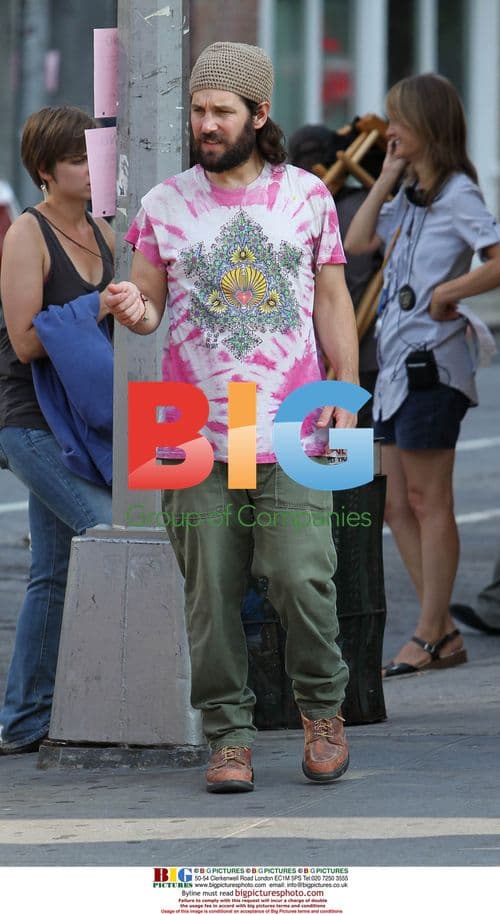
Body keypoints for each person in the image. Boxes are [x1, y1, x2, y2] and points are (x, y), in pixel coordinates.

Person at [105, 41, 359, 792]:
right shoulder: (163, 204)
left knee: (302, 575)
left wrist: (346, 385)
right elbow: (147, 310)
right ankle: (228, 736)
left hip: (296, 415)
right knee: (208, 592)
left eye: (221, 111)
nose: (205, 124)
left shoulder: (308, 197)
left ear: (259, 114)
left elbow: (333, 298)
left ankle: (323, 710)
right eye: (197, 109)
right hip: (183, 418)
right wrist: (131, 306)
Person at [345, 73, 500, 678]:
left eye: (399, 120)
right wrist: (385, 175)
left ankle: (430, 632)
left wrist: (449, 292)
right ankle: (443, 630)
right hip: (393, 368)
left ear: (427, 126)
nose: (391, 130)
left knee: (428, 499)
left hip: (433, 364)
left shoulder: (459, 192)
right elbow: (358, 243)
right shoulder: (409, 193)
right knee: (394, 503)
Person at [0, 106, 114, 754]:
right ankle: (114, 699)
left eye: (93, 156)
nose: (90, 168)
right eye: (78, 159)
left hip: (82, 424)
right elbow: (22, 341)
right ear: (47, 170)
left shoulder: (101, 231)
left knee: (53, 571)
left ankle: (25, 720)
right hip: (31, 423)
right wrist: (97, 303)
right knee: (108, 539)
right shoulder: (27, 232)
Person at [288, 123, 385, 427]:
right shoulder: (296, 206)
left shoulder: (298, 207)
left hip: (355, 353)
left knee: (344, 455)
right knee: (343, 459)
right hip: (332, 357)